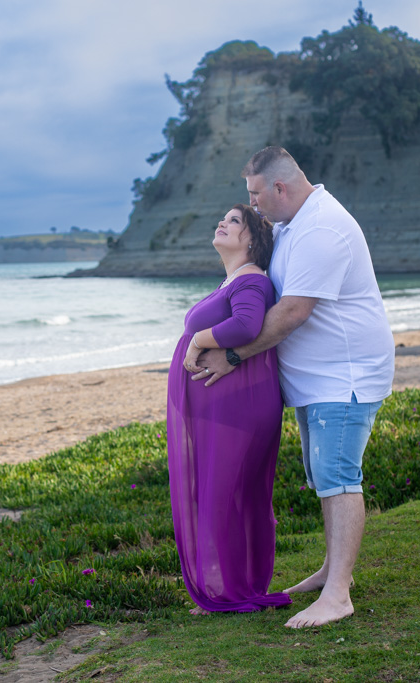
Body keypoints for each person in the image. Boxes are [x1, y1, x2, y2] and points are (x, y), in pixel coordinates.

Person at [195, 146, 395, 628]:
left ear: (280, 188)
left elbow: (291, 312)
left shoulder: (322, 228)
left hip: (342, 377)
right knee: (321, 476)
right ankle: (331, 571)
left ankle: (339, 595)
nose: (254, 205)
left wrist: (233, 355)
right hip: (313, 379)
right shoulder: (291, 224)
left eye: (256, 194)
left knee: (339, 476)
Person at [168, 203, 292, 615]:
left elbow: (247, 326)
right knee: (224, 496)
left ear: (253, 241)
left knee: (227, 497)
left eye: (234, 220)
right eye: (222, 217)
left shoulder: (252, 280)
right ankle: (230, 587)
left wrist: (199, 339)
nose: (221, 222)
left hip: (238, 409)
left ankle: (230, 592)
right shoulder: (233, 281)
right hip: (226, 408)